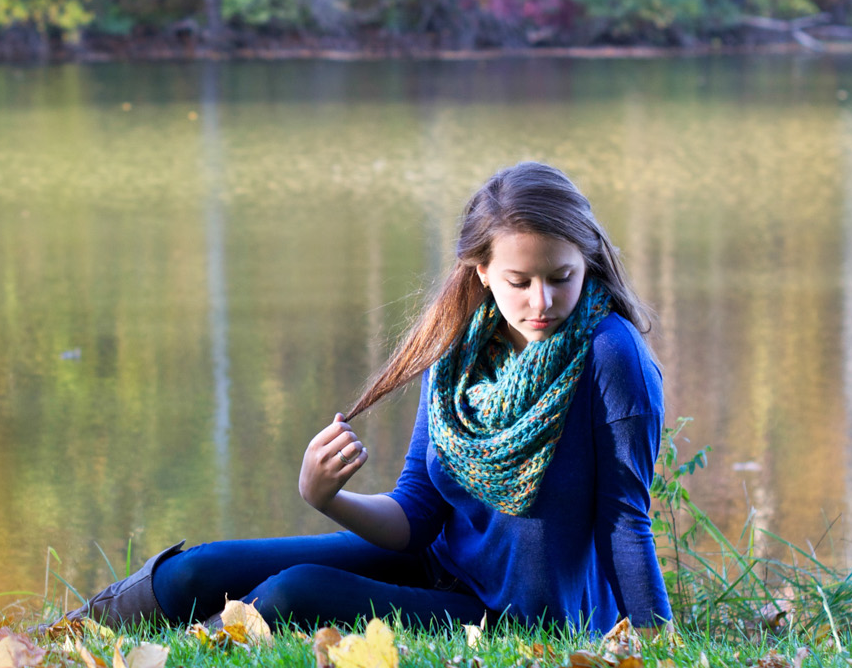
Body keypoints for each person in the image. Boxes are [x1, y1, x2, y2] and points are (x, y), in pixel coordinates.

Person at [61, 161, 671, 634]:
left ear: (587, 262)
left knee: (296, 592)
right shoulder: (457, 347)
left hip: (522, 617)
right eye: (520, 281)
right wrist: (326, 498)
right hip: (439, 563)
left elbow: (626, 521)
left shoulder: (609, 355)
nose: (542, 301)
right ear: (480, 271)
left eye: (561, 278)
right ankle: (66, 638)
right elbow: (417, 515)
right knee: (202, 567)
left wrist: (655, 647)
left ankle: (189, 659)